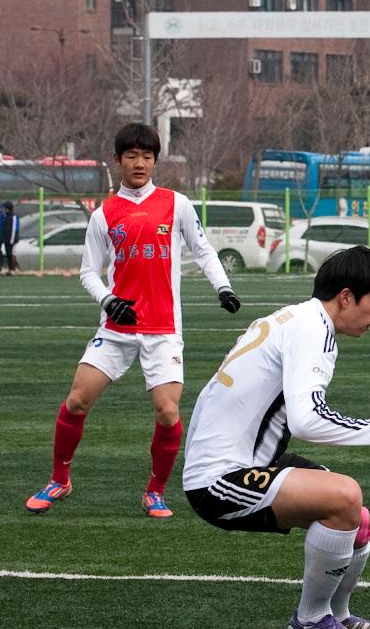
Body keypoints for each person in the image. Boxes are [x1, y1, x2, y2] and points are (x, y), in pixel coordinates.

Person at [183, 246, 370, 629]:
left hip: (253, 461)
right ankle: (310, 620)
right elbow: (307, 420)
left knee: (356, 518)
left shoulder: (298, 318)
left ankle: (337, 613)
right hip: (219, 479)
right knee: (343, 496)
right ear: (346, 297)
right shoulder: (312, 329)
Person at [25, 123, 241, 518]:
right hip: (117, 329)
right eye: (131, 156)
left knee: (168, 412)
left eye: (146, 156)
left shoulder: (177, 204)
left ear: (155, 160)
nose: (139, 163)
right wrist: (108, 301)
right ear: (118, 160)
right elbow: (89, 272)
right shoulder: (104, 214)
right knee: (76, 400)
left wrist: (222, 289)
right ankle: (60, 479)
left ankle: (155, 492)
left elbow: (204, 251)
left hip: (163, 330)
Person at [0, 201, 20, 274]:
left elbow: (14, 229)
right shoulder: (6, 216)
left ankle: (13, 269)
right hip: (6, 238)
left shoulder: (14, 216)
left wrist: (12, 240)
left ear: (7, 209)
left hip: (12, 239)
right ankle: (10, 269)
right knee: (8, 254)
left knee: (11, 254)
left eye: (4, 208)